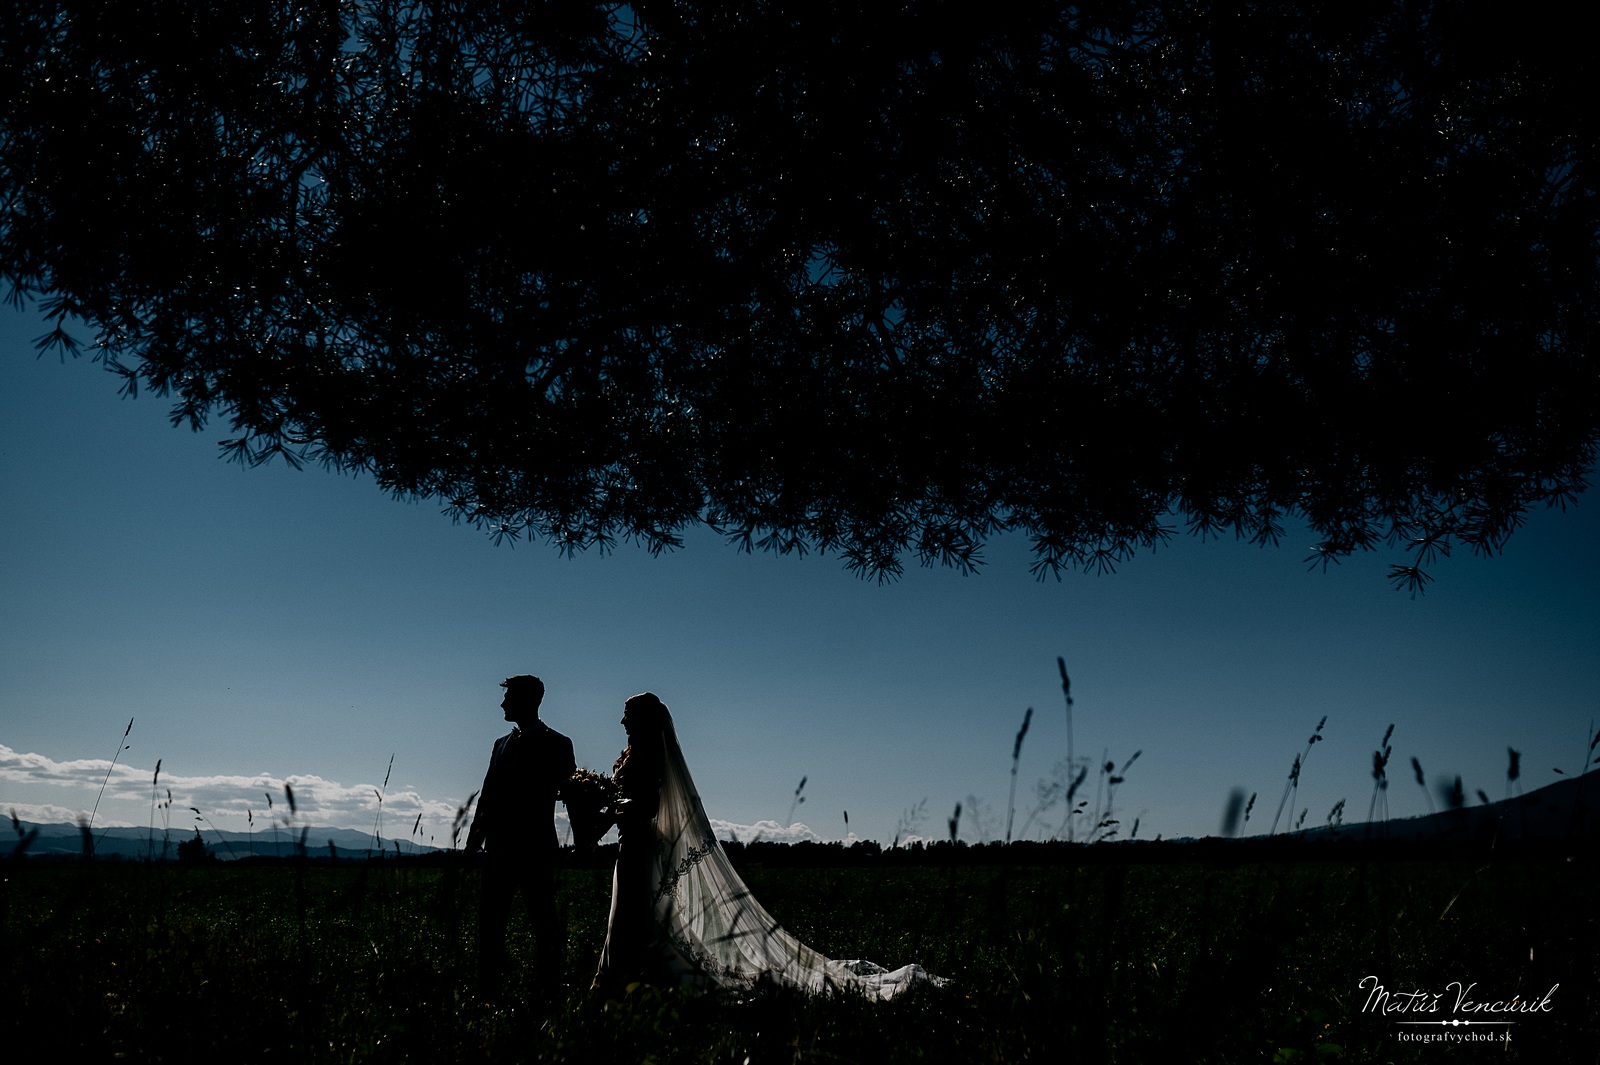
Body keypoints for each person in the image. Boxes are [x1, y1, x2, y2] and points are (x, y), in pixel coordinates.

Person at [592, 692, 944, 999]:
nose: (622, 719)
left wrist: (610, 802)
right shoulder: (630, 754)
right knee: (631, 916)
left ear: (644, 719)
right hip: (630, 847)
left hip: (643, 848)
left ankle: (626, 982)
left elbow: (650, 807)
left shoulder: (652, 756)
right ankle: (627, 980)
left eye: (628, 713)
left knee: (634, 915)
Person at [463, 674, 576, 995]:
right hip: (497, 849)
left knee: (543, 921)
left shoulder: (558, 743)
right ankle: (488, 987)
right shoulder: (500, 744)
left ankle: (549, 987)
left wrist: (584, 842)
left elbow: (572, 797)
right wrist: (473, 843)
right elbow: (486, 797)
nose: (502, 703)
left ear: (528, 701)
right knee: (490, 921)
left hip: (536, 847)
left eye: (508, 697)